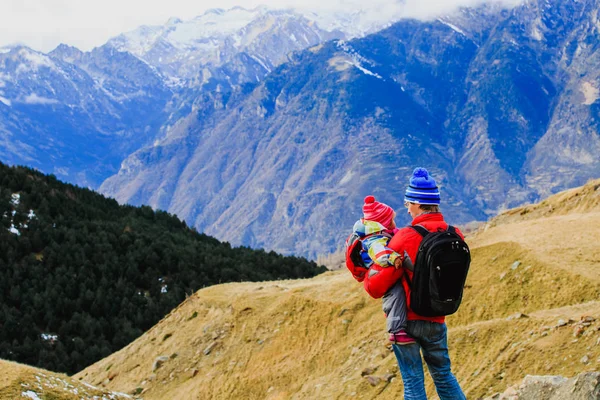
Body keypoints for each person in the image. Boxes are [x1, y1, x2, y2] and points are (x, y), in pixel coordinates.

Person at [363, 167, 466, 400]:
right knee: (444, 375)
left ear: (418, 204)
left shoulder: (405, 236)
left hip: (408, 321)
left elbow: (377, 286)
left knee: (412, 382)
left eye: (408, 202)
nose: (407, 208)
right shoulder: (455, 233)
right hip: (438, 318)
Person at [352, 195, 414, 344]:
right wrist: (394, 258)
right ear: (384, 223)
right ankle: (396, 331)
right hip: (378, 269)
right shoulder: (374, 239)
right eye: (391, 220)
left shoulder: (381, 233)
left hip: (380, 268)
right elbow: (380, 254)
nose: (394, 222)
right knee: (396, 292)